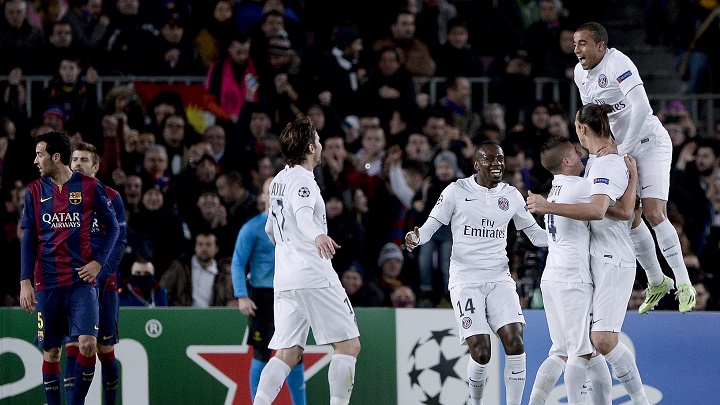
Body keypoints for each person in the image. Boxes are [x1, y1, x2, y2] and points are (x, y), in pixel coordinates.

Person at [405, 140, 549, 405]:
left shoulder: (511, 195)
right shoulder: (456, 191)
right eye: (489, 160)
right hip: (466, 280)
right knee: (482, 353)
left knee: (515, 342)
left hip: (499, 279)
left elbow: (537, 236)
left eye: (500, 159)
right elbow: (432, 224)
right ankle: (476, 401)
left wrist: (563, 235)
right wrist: (417, 237)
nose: (496, 164)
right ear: (476, 165)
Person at [527, 103, 650, 405]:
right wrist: (632, 175)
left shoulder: (559, 187)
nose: (581, 153)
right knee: (581, 353)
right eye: (575, 152)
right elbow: (616, 212)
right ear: (567, 160)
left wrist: (619, 157)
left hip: (556, 276)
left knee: (568, 351)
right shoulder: (579, 188)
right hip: (575, 279)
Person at [573, 21, 696, 313]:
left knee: (654, 212)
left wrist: (621, 150)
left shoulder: (619, 63)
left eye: (583, 43)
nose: (576, 49)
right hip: (619, 146)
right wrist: (596, 157)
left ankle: (684, 283)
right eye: (575, 43)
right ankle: (656, 280)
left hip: (648, 141)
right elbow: (595, 117)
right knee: (629, 216)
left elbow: (641, 108)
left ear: (600, 46)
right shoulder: (581, 74)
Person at [253, 116, 360, 405]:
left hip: (285, 277)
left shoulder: (278, 180)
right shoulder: (303, 180)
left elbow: (270, 228)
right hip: (312, 272)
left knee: (287, 353)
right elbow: (302, 215)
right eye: (319, 139)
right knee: (349, 345)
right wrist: (316, 237)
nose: (322, 144)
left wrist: (288, 248)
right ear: (311, 147)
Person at [19, 131, 119, 405]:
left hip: (81, 283)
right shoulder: (34, 191)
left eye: (40, 154)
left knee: (88, 344)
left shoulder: (89, 186)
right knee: (51, 353)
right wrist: (24, 281)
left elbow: (113, 229)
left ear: (56, 156)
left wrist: (98, 262)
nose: (36, 160)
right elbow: (28, 239)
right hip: (47, 283)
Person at [231, 175, 305, 404]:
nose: (275, 195)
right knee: (262, 353)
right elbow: (237, 262)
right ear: (263, 196)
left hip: (290, 295)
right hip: (262, 297)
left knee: (295, 354)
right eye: (270, 191)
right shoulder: (252, 228)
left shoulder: (298, 227)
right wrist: (242, 295)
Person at [66, 142, 127, 405]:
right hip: (71, 284)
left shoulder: (112, 198)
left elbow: (119, 242)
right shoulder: (60, 196)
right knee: (73, 347)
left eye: (84, 160)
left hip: (104, 286)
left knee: (104, 350)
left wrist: (98, 275)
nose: (78, 164)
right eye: (74, 159)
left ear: (96, 166)